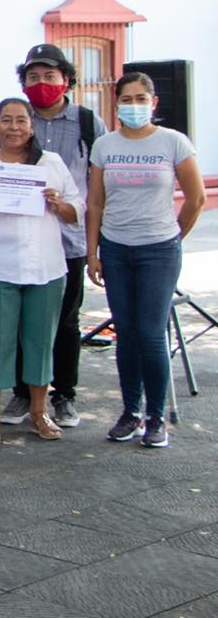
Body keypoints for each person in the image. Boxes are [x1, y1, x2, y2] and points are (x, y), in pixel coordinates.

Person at [0, 44, 105, 428]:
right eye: (33, 77)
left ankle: (63, 395)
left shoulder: (87, 122)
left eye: (49, 76)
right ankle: (23, 395)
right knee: (20, 323)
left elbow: (96, 186)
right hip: (16, 242)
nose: (41, 83)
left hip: (66, 244)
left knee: (64, 323)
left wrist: (95, 241)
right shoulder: (14, 119)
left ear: (65, 80)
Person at [87, 72, 206, 448]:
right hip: (117, 249)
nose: (133, 105)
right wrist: (93, 251)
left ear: (154, 103)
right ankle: (130, 412)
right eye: (127, 98)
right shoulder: (105, 145)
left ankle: (156, 418)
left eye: (141, 98)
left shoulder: (173, 142)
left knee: (152, 335)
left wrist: (173, 236)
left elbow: (196, 197)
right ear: (116, 102)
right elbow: (95, 202)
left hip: (158, 248)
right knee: (127, 334)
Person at [0, 98, 83, 445]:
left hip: (46, 268)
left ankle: (40, 412)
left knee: (41, 342)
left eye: (21, 120)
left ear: (32, 126)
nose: (14, 127)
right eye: (6, 120)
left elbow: (77, 211)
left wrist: (60, 205)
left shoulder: (51, 163)